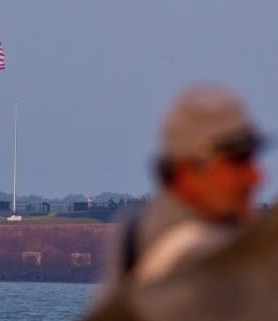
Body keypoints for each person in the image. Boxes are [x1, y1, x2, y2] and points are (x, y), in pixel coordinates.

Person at [100, 82, 266, 293]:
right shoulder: (203, 255)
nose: (257, 176)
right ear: (187, 170)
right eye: (239, 161)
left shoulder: (131, 234)